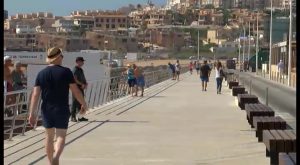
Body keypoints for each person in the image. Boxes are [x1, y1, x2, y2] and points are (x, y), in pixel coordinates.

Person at [28, 47, 88, 165]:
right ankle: (56, 157)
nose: (62, 58)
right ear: (59, 57)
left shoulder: (41, 73)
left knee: (49, 137)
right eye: (62, 56)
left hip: (46, 110)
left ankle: (51, 162)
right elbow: (75, 91)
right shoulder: (66, 72)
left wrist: (32, 113)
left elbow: (35, 95)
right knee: (61, 136)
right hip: (62, 108)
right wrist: (83, 104)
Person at [71, 57, 88, 122]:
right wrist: (81, 84)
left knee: (81, 102)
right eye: (82, 61)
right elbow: (74, 79)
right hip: (76, 88)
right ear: (78, 62)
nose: (83, 63)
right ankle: (73, 117)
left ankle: (80, 117)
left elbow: (82, 77)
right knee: (75, 102)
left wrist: (85, 83)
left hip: (81, 88)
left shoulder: (80, 69)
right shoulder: (75, 69)